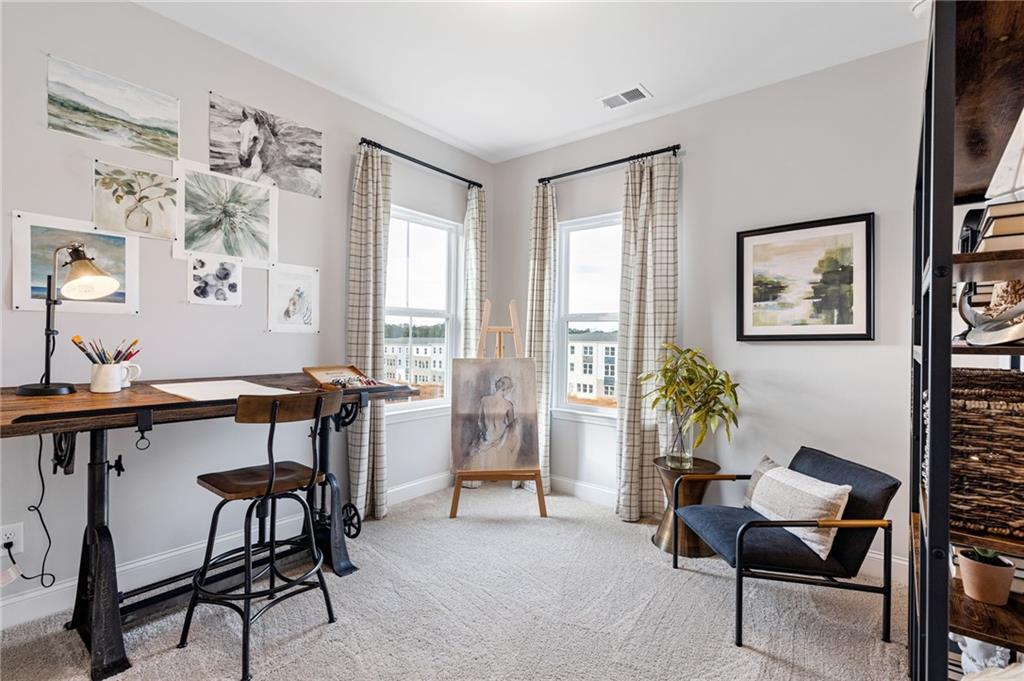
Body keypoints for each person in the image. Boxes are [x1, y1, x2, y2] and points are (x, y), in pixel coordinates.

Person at [466, 375, 521, 469]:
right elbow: (510, 428)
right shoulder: (508, 405)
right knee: (516, 432)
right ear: (507, 389)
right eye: (510, 389)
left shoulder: (484, 400)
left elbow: (480, 422)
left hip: (487, 437)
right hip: (500, 439)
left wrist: (485, 436)